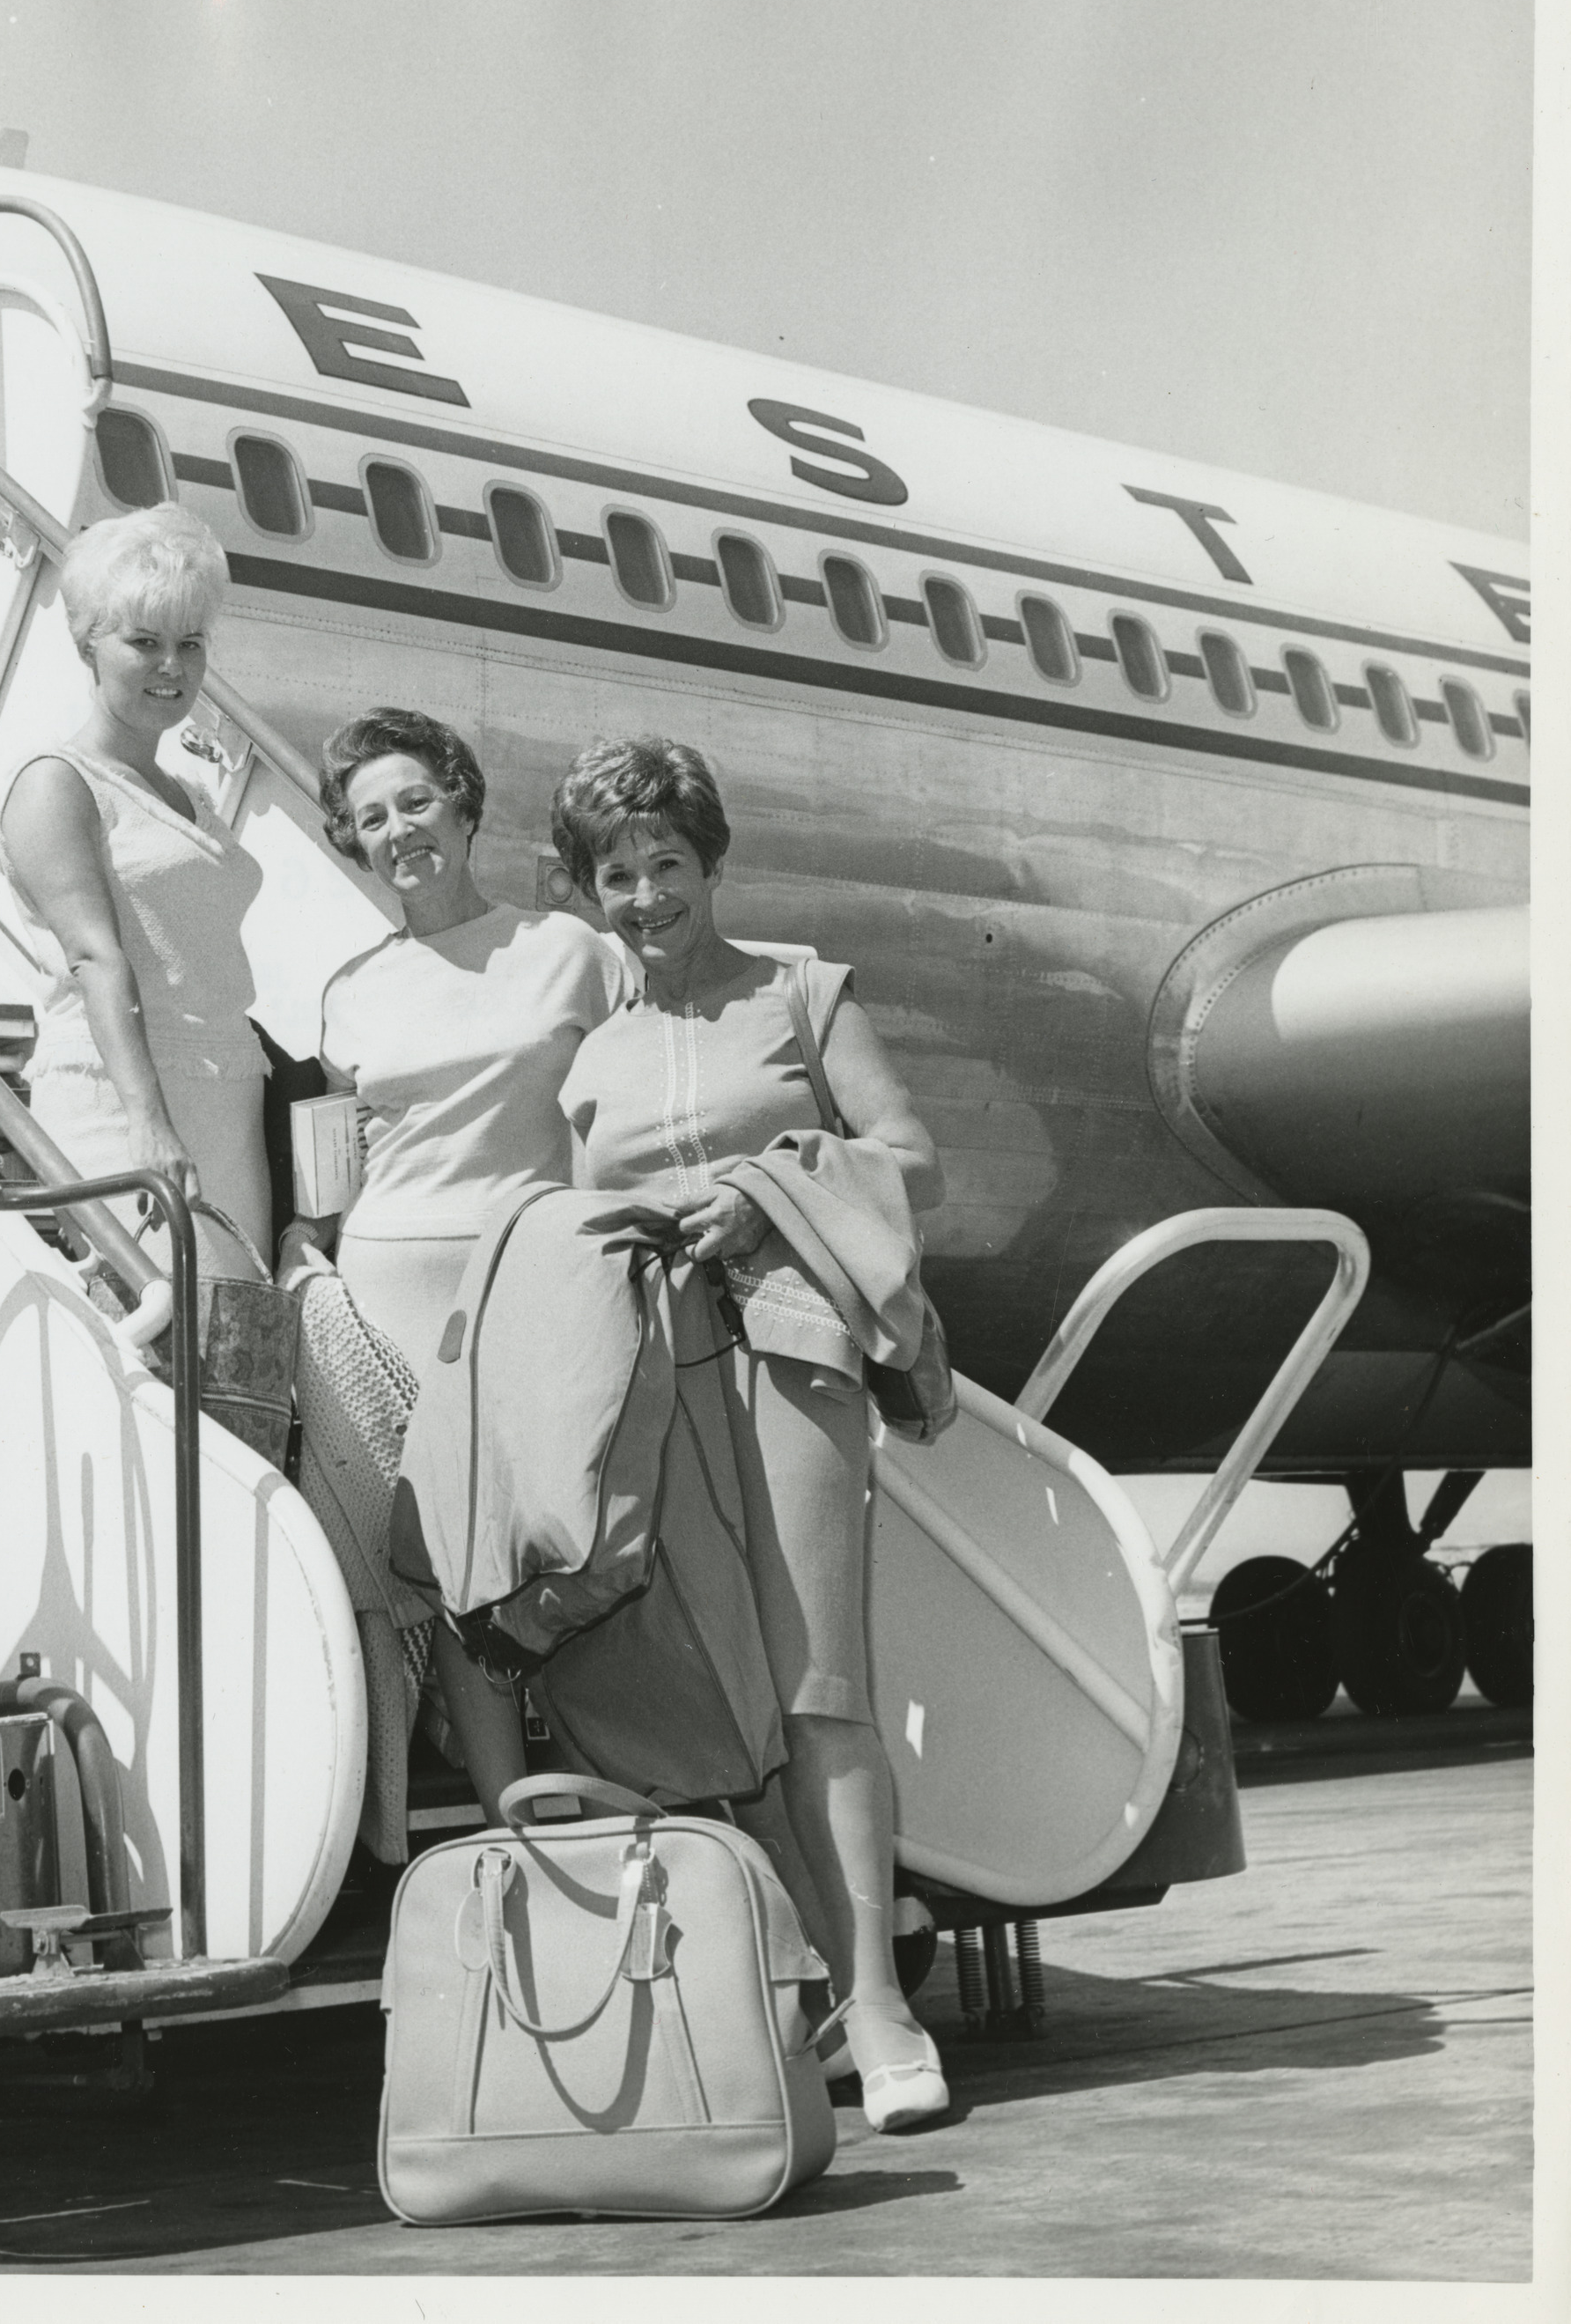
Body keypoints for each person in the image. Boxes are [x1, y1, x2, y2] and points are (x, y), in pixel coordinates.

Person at [549, 734, 949, 2133]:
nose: (646, 893)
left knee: (816, 1680)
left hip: (788, 1356)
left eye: (667, 862)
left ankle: (886, 2008)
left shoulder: (800, 992)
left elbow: (911, 1158)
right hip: (646, 1380)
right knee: (714, 1694)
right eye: (617, 872)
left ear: (710, 862)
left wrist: (764, 1197)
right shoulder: (589, 1053)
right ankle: (810, 1997)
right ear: (588, 890)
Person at [287, 705, 631, 1824]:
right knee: (452, 1563)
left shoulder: (570, 951)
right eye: (372, 817)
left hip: (536, 1281)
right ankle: (505, 1809)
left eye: (417, 803)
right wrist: (307, 1239)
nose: (399, 831)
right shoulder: (348, 990)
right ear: (353, 839)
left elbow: (618, 1116)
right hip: (392, 1295)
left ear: (465, 804)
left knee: (563, 1540)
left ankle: (616, 1773)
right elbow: (334, 1165)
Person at [0, 505, 270, 1291]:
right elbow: (94, 955)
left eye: (190, 644)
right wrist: (148, 1123)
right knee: (154, 1343)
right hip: (124, 1102)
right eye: (143, 642)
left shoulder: (187, 792)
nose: (171, 668)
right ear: (87, 642)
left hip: (225, 1099)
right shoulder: (58, 783)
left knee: (230, 1353)